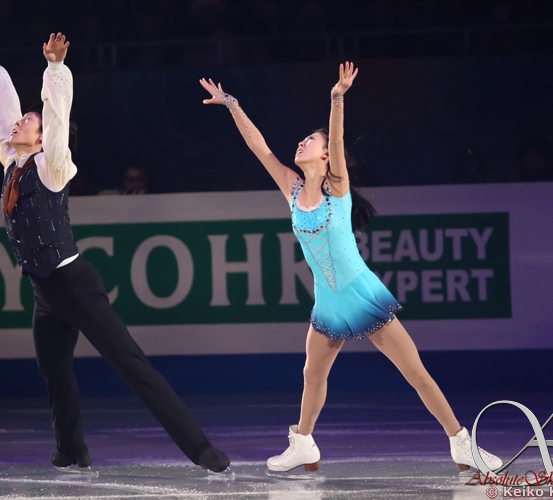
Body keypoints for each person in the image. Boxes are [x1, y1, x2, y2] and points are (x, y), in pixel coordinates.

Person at [199, 63, 502, 474]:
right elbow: (260, 148)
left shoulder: (336, 187)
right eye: (302, 139)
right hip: (328, 301)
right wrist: (232, 104)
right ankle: (303, 444)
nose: (301, 142)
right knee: (312, 374)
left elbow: (337, 137)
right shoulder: (291, 188)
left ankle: (461, 443)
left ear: (325, 156)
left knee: (414, 372)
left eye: (310, 140)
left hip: (361, 293)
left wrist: (337, 97)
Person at [0, 23, 229, 474]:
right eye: (22, 119)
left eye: (29, 121)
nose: (20, 121)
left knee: (130, 363)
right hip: (45, 293)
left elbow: (56, 116)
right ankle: (71, 450)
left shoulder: (52, 167)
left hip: (75, 285)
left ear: (42, 139)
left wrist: (55, 69)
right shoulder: (11, 160)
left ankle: (200, 449)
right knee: (55, 371)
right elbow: (0, 109)